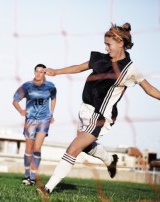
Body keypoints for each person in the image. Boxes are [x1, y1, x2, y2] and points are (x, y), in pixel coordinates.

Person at [36, 22, 160, 196]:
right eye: (105, 44)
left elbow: (149, 89)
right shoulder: (100, 59)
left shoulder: (130, 68)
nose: (106, 48)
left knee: (73, 148)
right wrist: (56, 71)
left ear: (120, 43)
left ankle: (47, 188)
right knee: (86, 147)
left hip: (100, 116)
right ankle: (110, 159)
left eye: (109, 44)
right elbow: (79, 67)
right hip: (85, 110)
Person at [13, 64, 57, 186]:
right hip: (30, 120)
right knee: (29, 149)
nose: (38, 74)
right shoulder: (27, 86)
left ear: (45, 74)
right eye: (36, 71)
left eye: (41, 72)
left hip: (44, 120)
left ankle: (32, 178)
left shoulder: (50, 86)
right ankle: (26, 174)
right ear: (34, 73)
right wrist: (21, 110)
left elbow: (53, 98)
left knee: (37, 148)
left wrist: (51, 113)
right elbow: (15, 100)